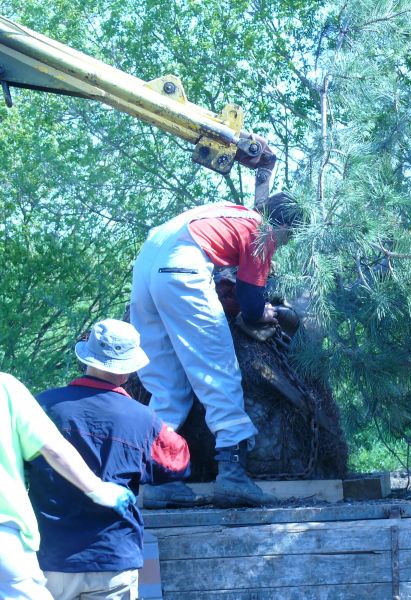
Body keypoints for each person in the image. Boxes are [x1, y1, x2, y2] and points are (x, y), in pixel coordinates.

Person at [130, 137, 302, 508]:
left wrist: (266, 173)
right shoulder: (263, 232)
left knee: (166, 385)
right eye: (288, 239)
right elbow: (251, 303)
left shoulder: (237, 215)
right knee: (218, 371)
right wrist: (261, 313)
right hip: (181, 267)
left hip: (148, 261)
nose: (283, 245)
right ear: (285, 228)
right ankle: (233, 475)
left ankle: (158, 479)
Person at [27, 319, 190, 600]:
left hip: (48, 559)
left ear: (86, 358)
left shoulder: (41, 406)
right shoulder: (143, 419)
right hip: (111, 559)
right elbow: (178, 463)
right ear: (127, 371)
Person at [0, 371, 134, 600]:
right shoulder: (5, 387)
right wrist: (98, 489)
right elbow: (54, 449)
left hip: (53, 557)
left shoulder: (45, 400)